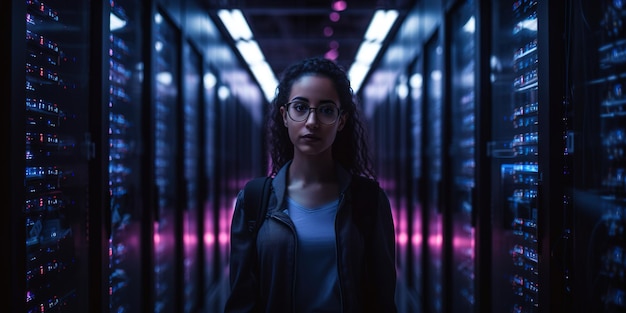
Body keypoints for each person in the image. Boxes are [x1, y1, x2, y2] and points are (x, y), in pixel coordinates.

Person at [224, 57, 397, 313]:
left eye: (326, 110)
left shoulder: (368, 199)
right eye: (300, 107)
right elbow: (241, 300)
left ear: (341, 120)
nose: (312, 122)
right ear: (285, 116)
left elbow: (382, 299)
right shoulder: (254, 201)